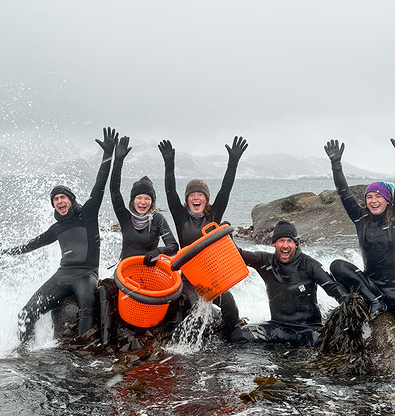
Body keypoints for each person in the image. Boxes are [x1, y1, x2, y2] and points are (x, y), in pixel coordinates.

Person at [1, 127, 118, 346]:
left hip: (86, 274)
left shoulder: (88, 215)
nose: (58, 201)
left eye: (62, 197)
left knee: (87, 305)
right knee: (25, 313)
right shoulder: (57, 228)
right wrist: (11, 252)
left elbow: (100, 185)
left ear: (71, 200)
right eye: (55, 199)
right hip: (62, 275)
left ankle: (82, 355)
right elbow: (34, 243)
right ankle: (25, 352)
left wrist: (108, 154)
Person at [158, 136, 247, 340]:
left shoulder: (213, 215)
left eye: (200, 195)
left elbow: (226, 189)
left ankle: (230, 339)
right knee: (195, 307)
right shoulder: (180, 217)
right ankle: (187, 347)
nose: (196, 198)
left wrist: (233, 162)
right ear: (187, 199)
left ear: (206, 199)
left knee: (230, 305)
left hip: (212, 277)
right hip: (189, 277)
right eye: (192, 195)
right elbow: (170, 190)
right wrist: (169, 163)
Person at [235, 219, 349, 347]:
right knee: (240, 335)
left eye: (289, 241)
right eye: (281, 241)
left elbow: (332, 287)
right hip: (278, 328)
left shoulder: (309, 264)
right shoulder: (265, 261)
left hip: (308, 329)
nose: (285, 245)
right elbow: (238, 254)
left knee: (313, 348)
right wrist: (225, 237)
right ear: (274, 244)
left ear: (295, 244)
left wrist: (349, 303)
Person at [324, 138, 395, 319]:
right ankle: (376, 302)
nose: (373, 201)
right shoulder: (360, 217)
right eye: (369, 197)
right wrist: (336, 164)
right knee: (337, 265)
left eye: (378, 197)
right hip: (370, 286)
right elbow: (343, 192)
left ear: (388, 200)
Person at [110, 135, 179, 263]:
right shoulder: (125, 216)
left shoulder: (157, 219)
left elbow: (174, 247)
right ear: (133, 200)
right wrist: (118, 161)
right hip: (125, 272)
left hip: (148, 273)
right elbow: (114, 191)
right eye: (139, 198)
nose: (143, 202)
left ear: (152, 202)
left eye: (147, 198)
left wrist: (158, 251)